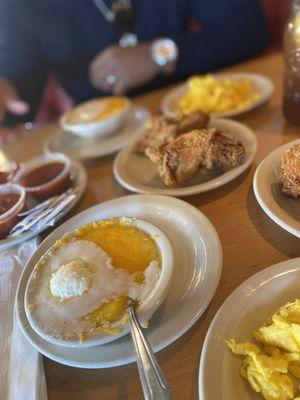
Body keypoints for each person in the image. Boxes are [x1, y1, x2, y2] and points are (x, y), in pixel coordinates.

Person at [0, 0, 269, 125]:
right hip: (98, 136)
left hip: (194, 113)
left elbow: (250, 26)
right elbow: (18, 94)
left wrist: (160, 53)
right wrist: (5, 92)